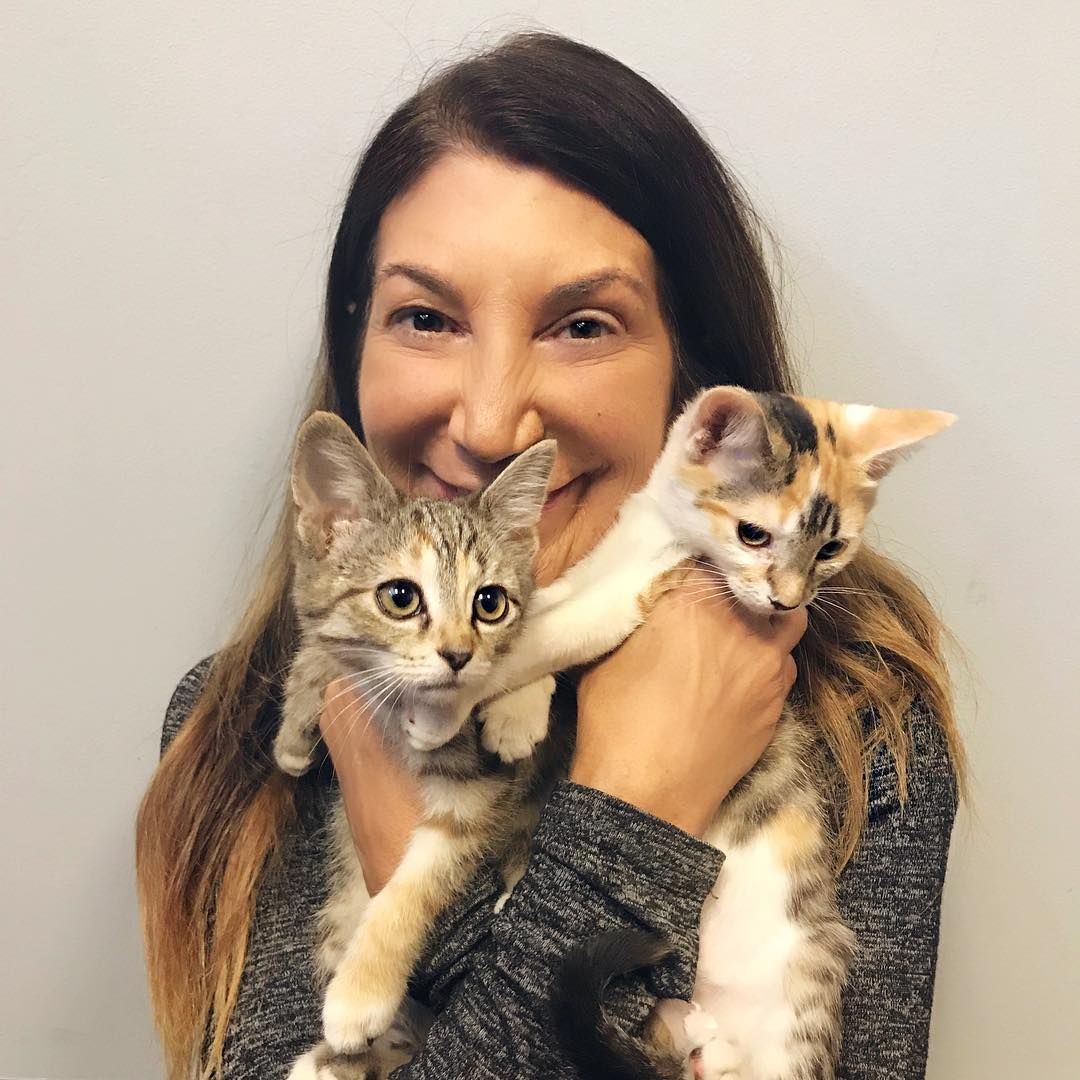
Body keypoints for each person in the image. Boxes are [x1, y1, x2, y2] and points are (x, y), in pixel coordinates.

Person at [136, 31, 964, 1080]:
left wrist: (600, 821)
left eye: (581, 324)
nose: (486, 424)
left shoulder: (860, 726)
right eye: (426, 316)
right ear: (355, 353)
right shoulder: (235, 731)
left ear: (695, 384)